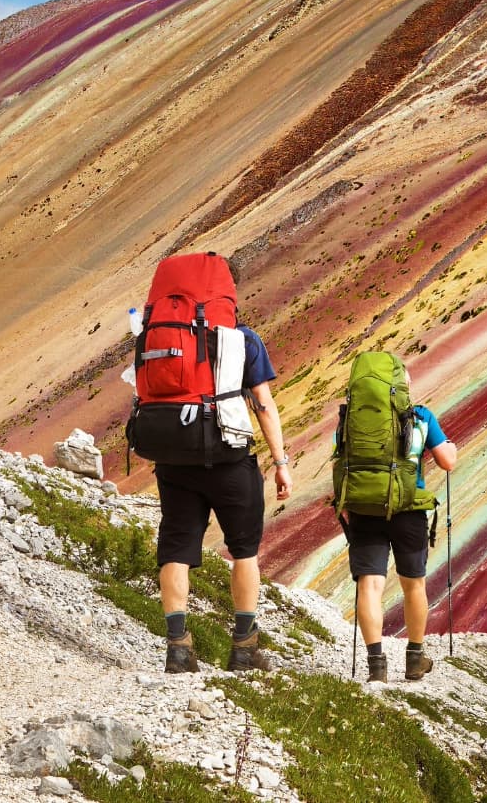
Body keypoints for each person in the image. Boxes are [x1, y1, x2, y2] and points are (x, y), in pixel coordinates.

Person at [152, 258, 293, 673]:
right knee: (244, 549)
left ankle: (178, 647)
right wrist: (281, 462)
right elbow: (263, 406)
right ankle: (244, 647)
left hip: (174, 457)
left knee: (176, 548)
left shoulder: (157, 335)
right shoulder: (242, 339)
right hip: (230, 457)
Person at [341, 396, 457, 683]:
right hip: (409, 509)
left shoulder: (352, 417)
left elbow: (340, 459)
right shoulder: (420, 416)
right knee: (413, 584)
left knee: (369, 584)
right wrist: (451, 448)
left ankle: (376, 667)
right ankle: (414, 659)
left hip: (365, 509)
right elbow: (447, 462)